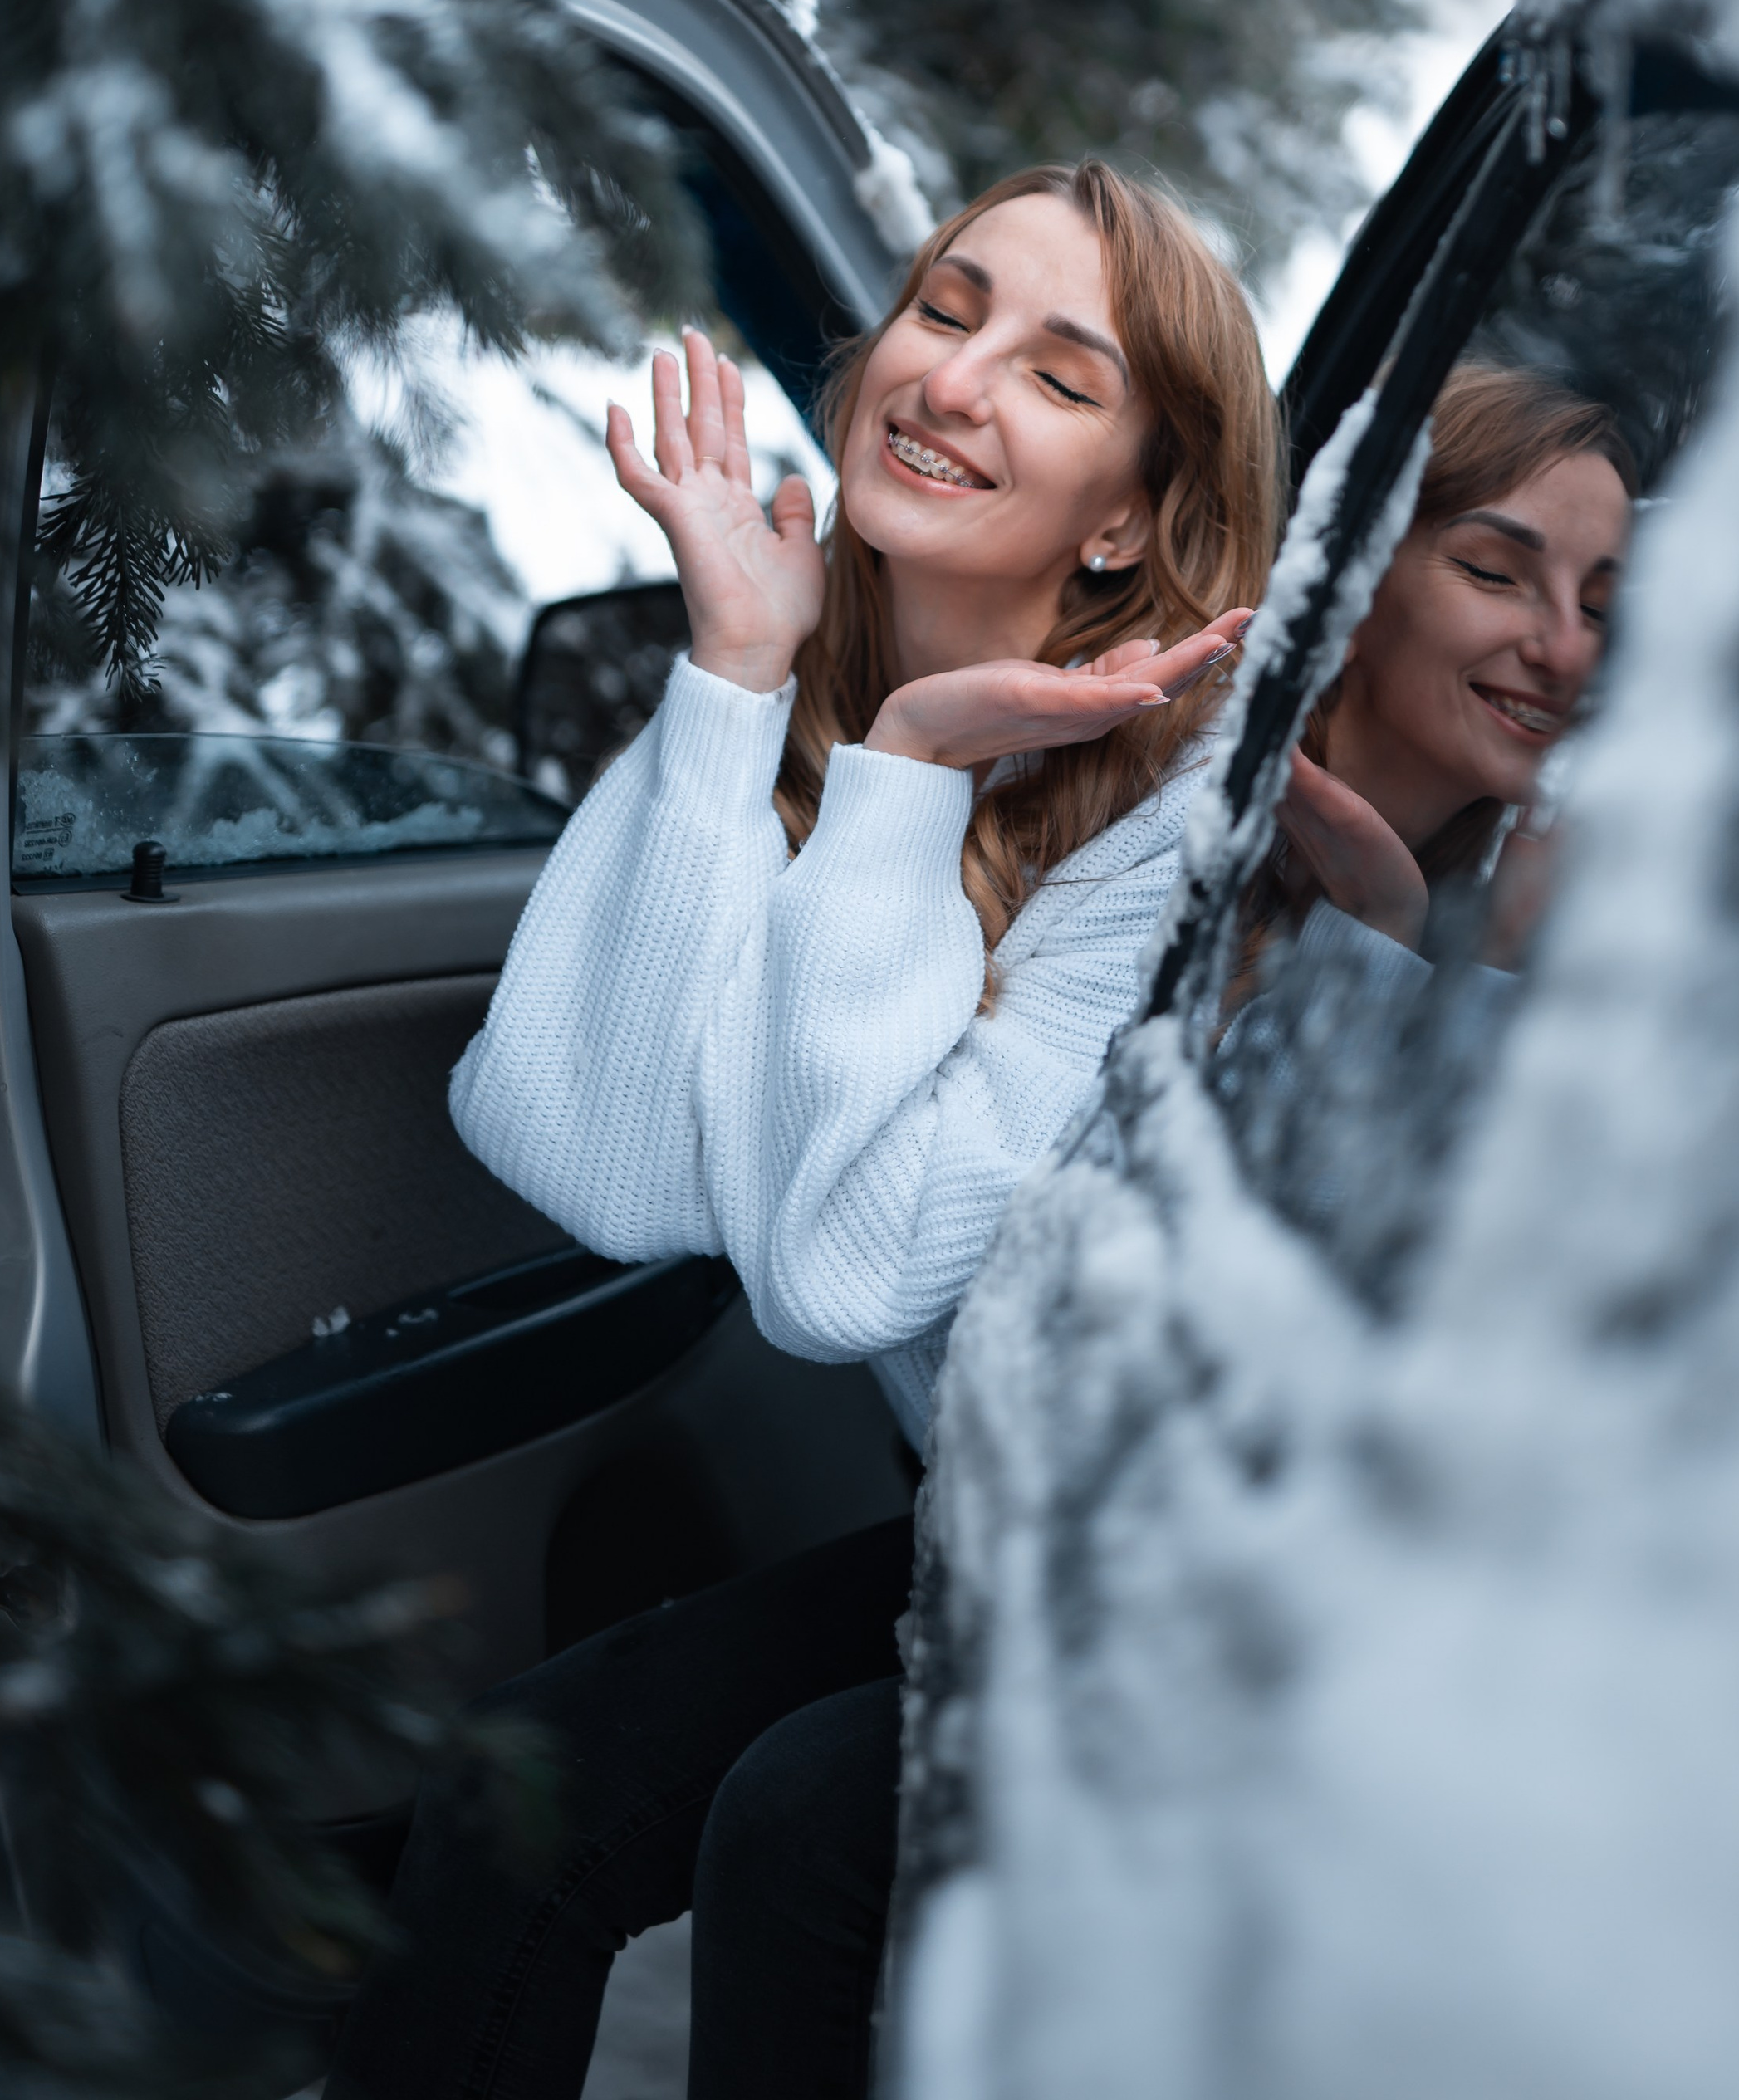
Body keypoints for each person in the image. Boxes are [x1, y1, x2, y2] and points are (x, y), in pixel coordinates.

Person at [324, 160, 1280, 2100]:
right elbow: (578, 1144)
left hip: (1178, 1560)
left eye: (1057, 368)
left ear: (1125, 525)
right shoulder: (793, 682)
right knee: (518, 1791)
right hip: (988, 1520)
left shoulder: (1173, 827)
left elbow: (842, 1274)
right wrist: (735, 678)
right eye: (947, 306)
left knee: (783, 1825)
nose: (954, 375)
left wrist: (907, 782)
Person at [1270, 359, 1636, 985]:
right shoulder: (1177, 801)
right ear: (1347, 592)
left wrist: (1499, 956)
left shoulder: (1532, 921)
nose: (1570, 653)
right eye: (1494, 573)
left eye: (1598, 608)